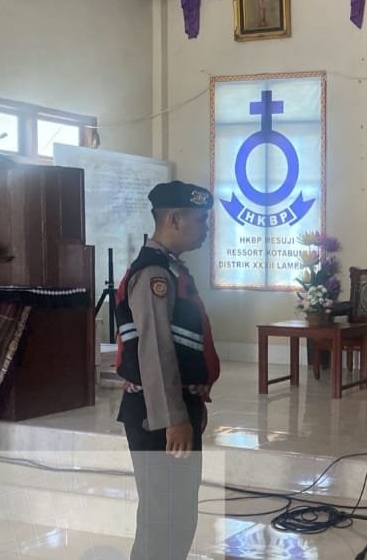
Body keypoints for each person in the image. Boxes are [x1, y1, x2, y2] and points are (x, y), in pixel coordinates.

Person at [114, 180, 221, 560]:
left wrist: (192, 404)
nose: (206, 228)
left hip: (172, 406)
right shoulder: (153, 274)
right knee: (164, 519)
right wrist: (175, 417)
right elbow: (156, 350)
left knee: (178, 515)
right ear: (175, 219)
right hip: (156, 413)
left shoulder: (171, 270)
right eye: (201, 219)